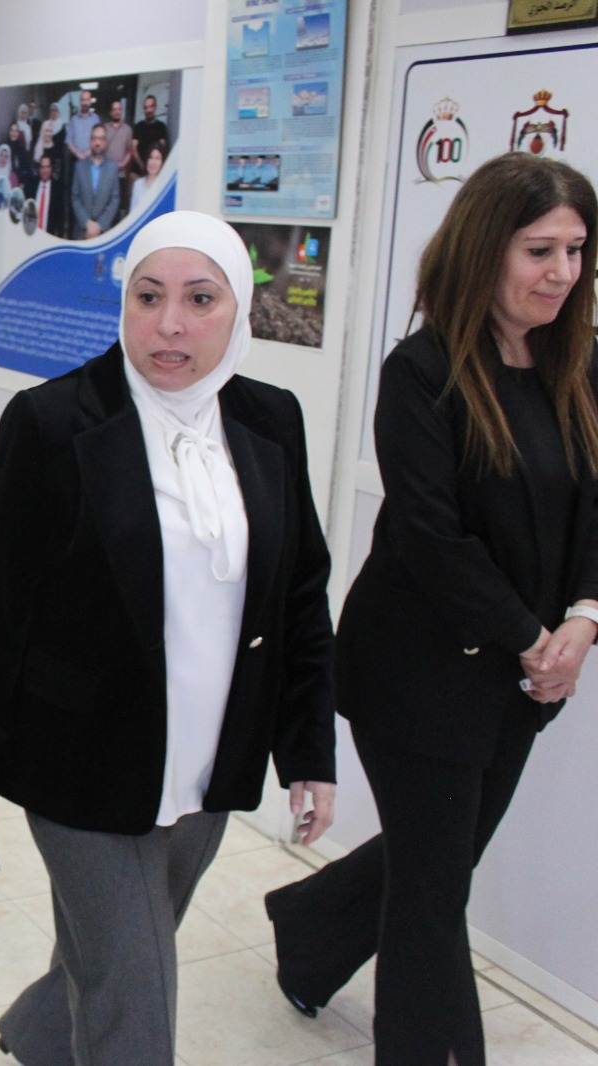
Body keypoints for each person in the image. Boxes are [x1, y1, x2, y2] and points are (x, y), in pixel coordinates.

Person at [0, 210, 337, 1065]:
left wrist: (308, 752)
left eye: (200, 300)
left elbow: (300, 597)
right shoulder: (52, 423)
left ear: (239, 310)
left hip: (209, 764)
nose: (170, 324)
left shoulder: (271, 420)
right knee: (134, 991)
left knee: (116, 954)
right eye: (149, 298)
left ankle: (38, 1036)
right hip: (81, 765)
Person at [264, 153, 598, 1066]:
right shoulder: (423, 371)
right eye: (539, 250)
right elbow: (429, 535)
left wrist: (583, 619)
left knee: (437, 858)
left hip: (525, 673)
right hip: (417, 673)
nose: (562, 273)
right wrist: (536, 639)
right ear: (485, 249)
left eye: (575, 250)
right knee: (433, 894)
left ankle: (312, 924)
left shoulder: (580, 364)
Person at [70, 124, 120, 239]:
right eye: (94, 138)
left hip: (103, 233)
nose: (97, 142)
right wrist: (87, 223)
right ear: (90, 141)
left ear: (105, 142)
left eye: (101, 138)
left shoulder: (112, 168)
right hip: (82, 232)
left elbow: (115, 199)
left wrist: (99, 225)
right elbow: (75, 197)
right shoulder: (79, 167)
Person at [26, 154, 68, 238]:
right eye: (42, 167)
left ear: (51, 168)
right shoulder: (31, 186)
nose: (44, 170)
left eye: (47, 167)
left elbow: (60, 219)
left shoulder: (58, 189)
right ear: (39, 169)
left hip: (49, 237)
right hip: (31, 236)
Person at [132, 93, 170, 176]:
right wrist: (141, 165)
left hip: (155, 171)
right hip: (138, 170)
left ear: (155, 107)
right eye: (146, 107)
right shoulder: (138, 126)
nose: (148, 110)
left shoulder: (161, 127)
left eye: (151, 106)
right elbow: (133, 148)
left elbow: (162, 148)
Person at [129, 140, 167, 214]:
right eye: (150, 157)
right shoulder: (138, 184)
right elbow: (133, 212)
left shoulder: (164, 185)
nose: (153, 162)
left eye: (157, 158)